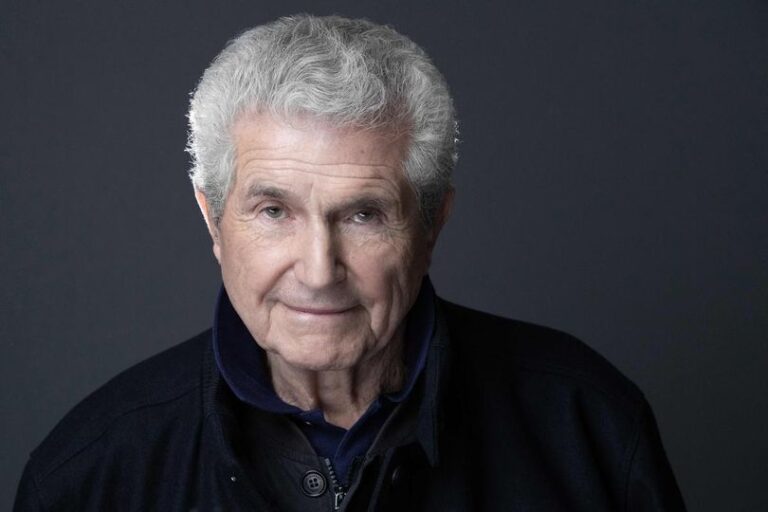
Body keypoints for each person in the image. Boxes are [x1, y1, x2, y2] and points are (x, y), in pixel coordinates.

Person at [13, 14, 686, 511]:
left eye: (363, 215)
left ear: (431, 224)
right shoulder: (91, 472)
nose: (318, 271)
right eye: (273, 211)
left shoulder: (589, 429)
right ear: (212, 221)